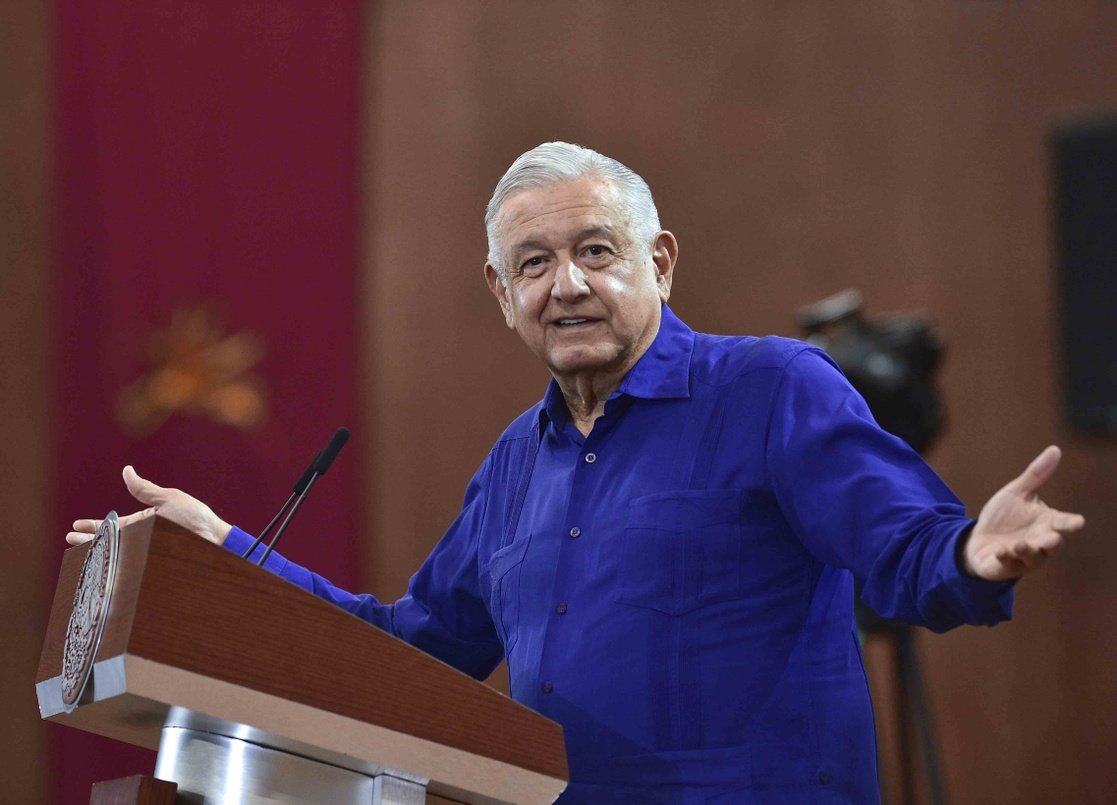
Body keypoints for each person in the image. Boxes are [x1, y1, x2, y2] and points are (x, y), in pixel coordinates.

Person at [70, 142, 1085, 803]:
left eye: (596, 251)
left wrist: (970, 551)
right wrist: (225, 554)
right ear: (499, 290)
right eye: (533, 263)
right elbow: (411, 651)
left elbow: (901, 545)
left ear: (661, 261)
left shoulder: (771, 388)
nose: (566, 285)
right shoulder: (512, 465)